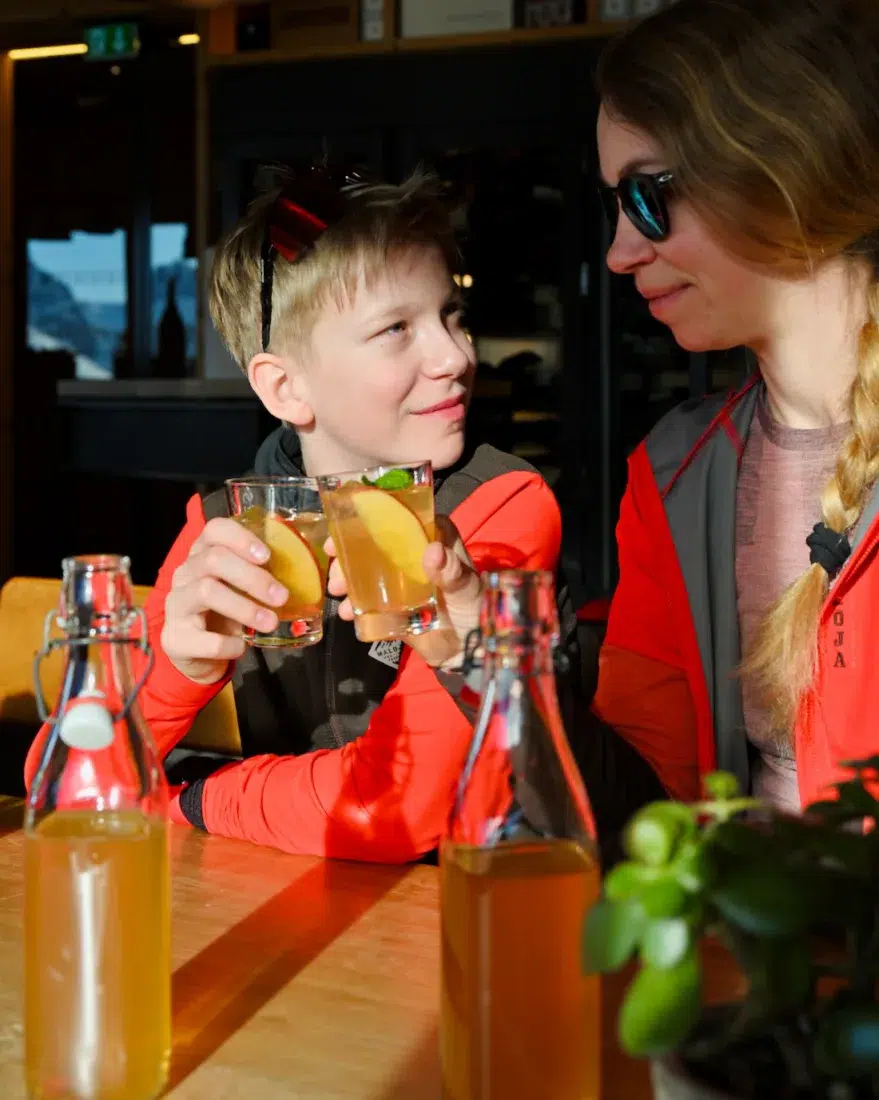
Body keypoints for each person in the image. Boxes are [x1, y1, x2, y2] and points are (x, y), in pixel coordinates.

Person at [390, 0, 879, 815]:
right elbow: (640, 810)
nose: (620, 252)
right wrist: (484, 644)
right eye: (616, 205)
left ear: (787, 166)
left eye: (648, 195)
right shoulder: (678, 468)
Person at [25, 165, 564, 862]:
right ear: (285, 387)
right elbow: (65, 772)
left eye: (450, 315)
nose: (455, 356)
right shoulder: (224, 523)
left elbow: (393, 810)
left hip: (469, 914)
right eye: (397, 329)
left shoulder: (499, 507)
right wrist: (179, 671)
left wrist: (184, 797)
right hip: (298, 908)